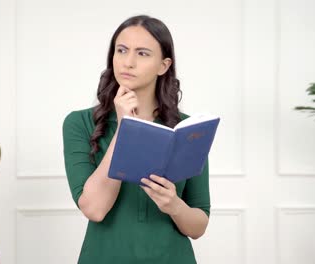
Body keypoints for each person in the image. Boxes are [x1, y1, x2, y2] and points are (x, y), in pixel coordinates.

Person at [62, 15, 210, 264]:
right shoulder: (79, 123)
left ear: (163, 66)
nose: (128, 62)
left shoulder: (187, 129)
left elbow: (199, 226)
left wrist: (174, 204)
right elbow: (94, 209)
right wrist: (124, 127)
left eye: (142, 54)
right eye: (121, 50)